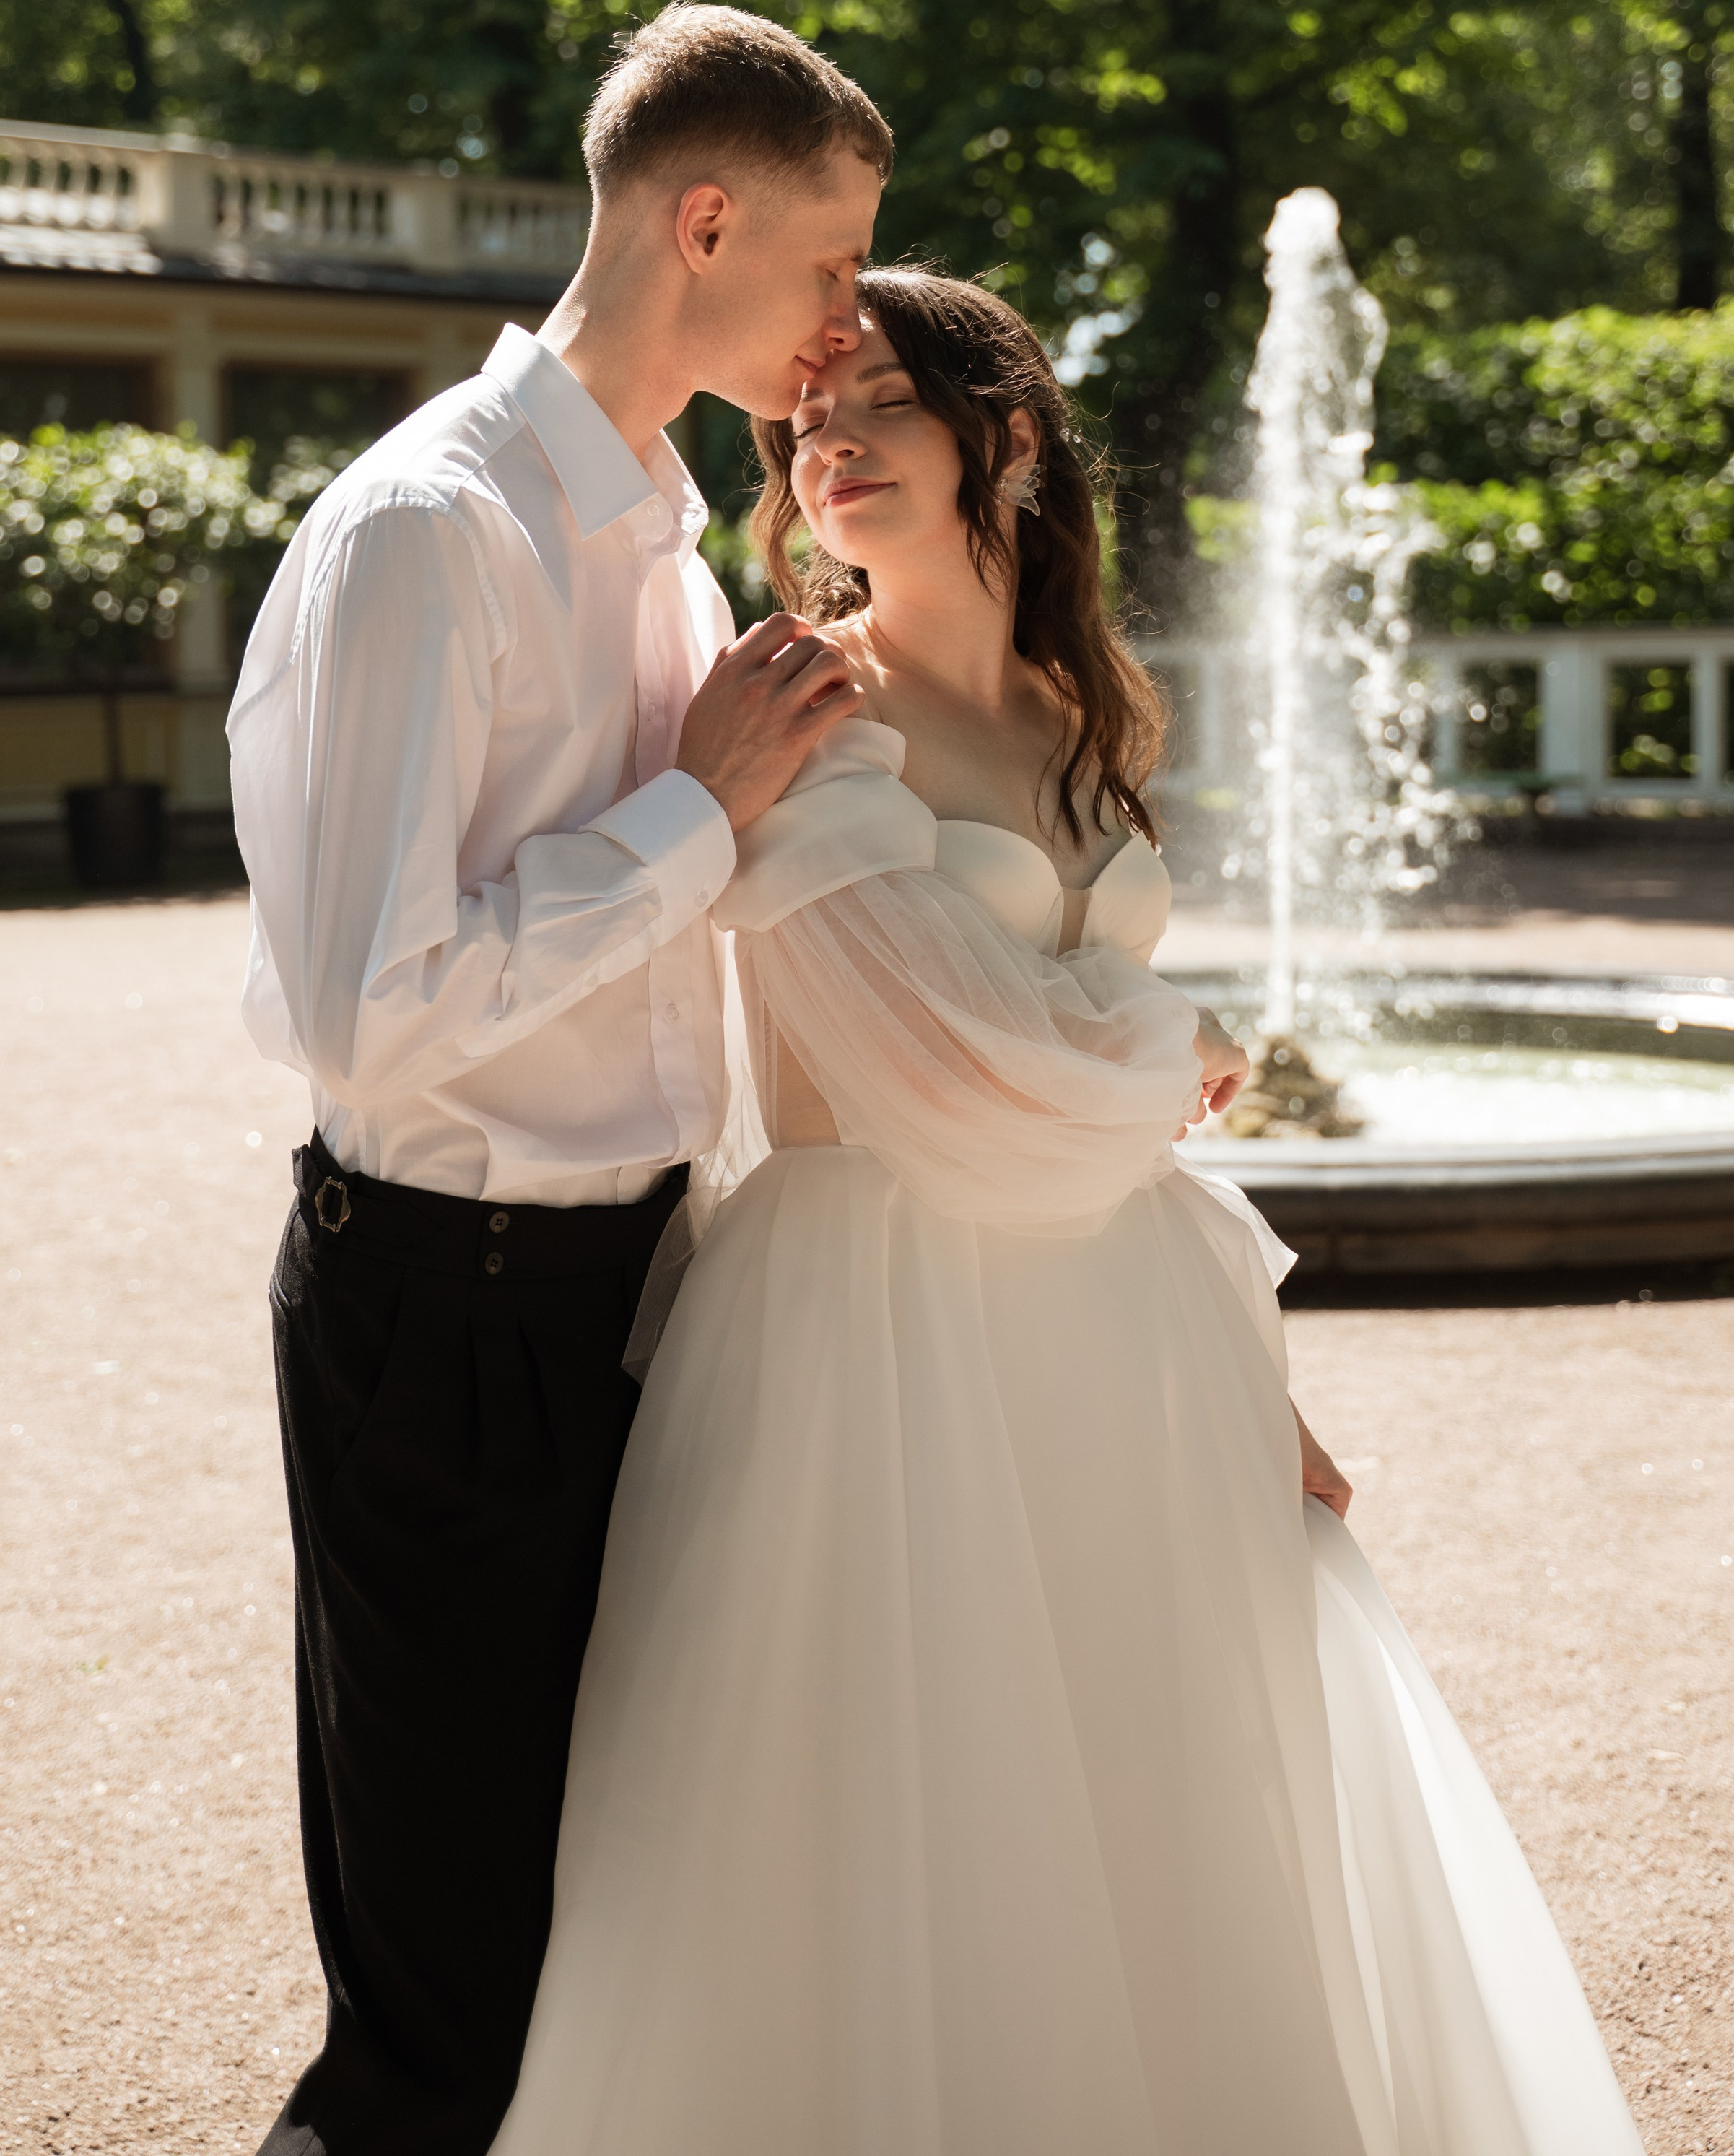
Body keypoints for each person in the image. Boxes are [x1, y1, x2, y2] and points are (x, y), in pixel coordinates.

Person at [494, 267, 1644, 2156]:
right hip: (873, 1331)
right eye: (803, 421)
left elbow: (1098, 1117)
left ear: (1006, 437)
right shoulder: (799, 707)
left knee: (1155, 1798)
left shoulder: (1082, 706)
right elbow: (948, 1076)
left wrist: (1260, 1390)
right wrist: (1180, 1036)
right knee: (910, 1831)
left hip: (1123, 1326)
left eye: (878, 401)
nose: (827, 443)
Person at [227, 1, 892, 2155]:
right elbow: (377, 1010)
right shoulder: (428, 529)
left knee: (621, 1941)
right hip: (448, 1308)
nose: (846, 318)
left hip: (645, 1298)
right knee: (446, 2001)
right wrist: (695, 810)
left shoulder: (669, 546)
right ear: (704, 225)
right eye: (829, 262)